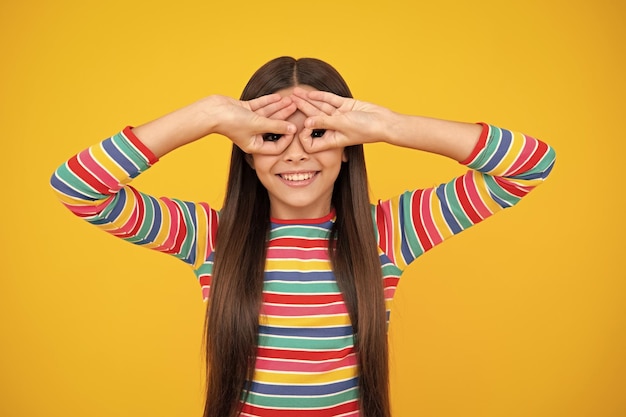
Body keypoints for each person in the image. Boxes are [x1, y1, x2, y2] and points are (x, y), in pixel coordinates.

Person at [50, 56, 556, 417]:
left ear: (347, 148)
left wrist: (392, 127)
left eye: (316, 134)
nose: (295, 155)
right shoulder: (209, 236)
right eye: (272, 137)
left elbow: (529, 166)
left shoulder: (392, 232)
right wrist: (206, 116)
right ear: (246, 151)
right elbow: (77, 188)